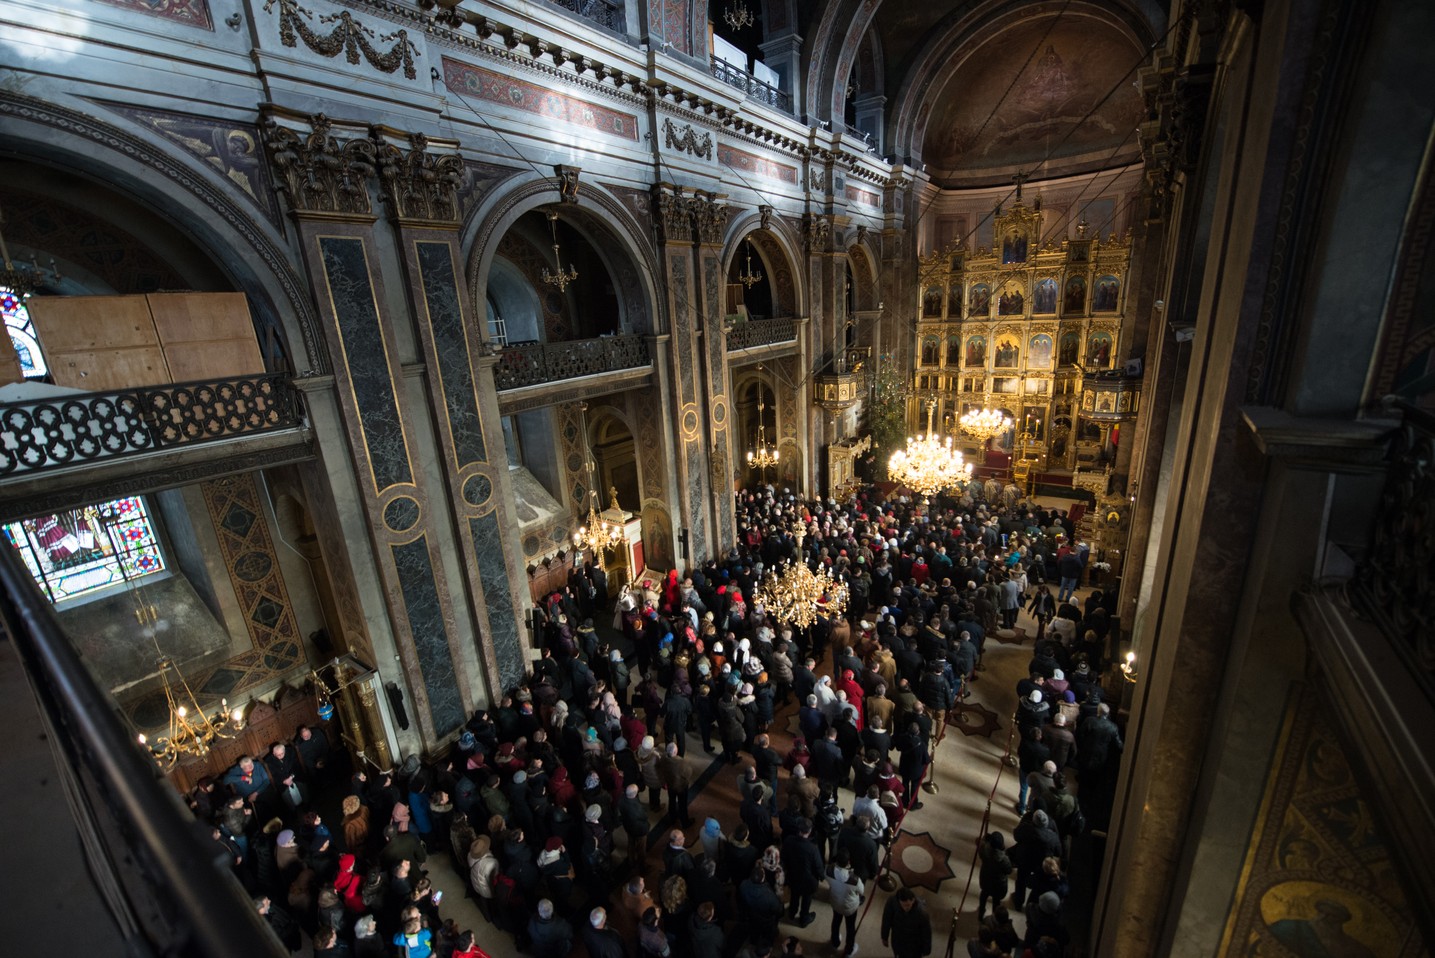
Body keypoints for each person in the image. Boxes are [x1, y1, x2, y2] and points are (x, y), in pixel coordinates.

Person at [825, 849, 864, 956]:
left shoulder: (828, 870)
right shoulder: (854, 880)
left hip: (835, 902)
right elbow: (861, 891)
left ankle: (835, 941)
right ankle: (849, 950)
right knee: (850, 927)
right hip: (849, 907)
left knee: (836, 921)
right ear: (848, 862)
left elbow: (827, 880)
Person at [881, 887, 932, 958]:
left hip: (914, 945)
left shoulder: (922, 914)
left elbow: (926, 933)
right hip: (897, 940)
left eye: (908, 905)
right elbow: (887, 919)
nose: (905, 908)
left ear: (913, 900)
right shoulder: (892, 901)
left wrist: (926, 950)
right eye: (903, 905)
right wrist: (884, 936)